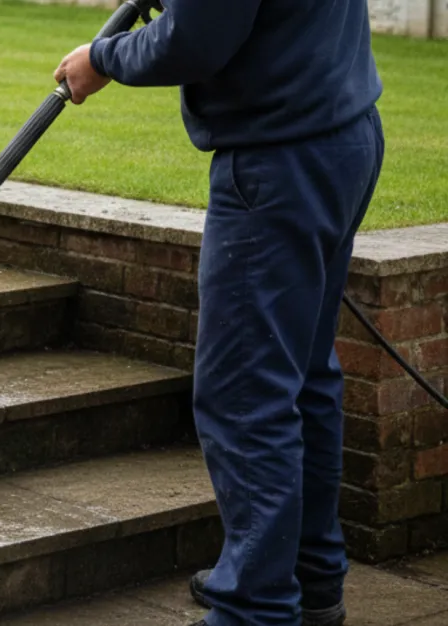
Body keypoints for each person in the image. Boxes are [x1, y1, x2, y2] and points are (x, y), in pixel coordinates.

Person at [53, 0, 385, 625]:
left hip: (278, 159)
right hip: (341, 133)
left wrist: (102, 58)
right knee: (304, 377)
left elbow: (196, 40)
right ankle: (307, 580)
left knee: (246, 393)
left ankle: (255, 607)